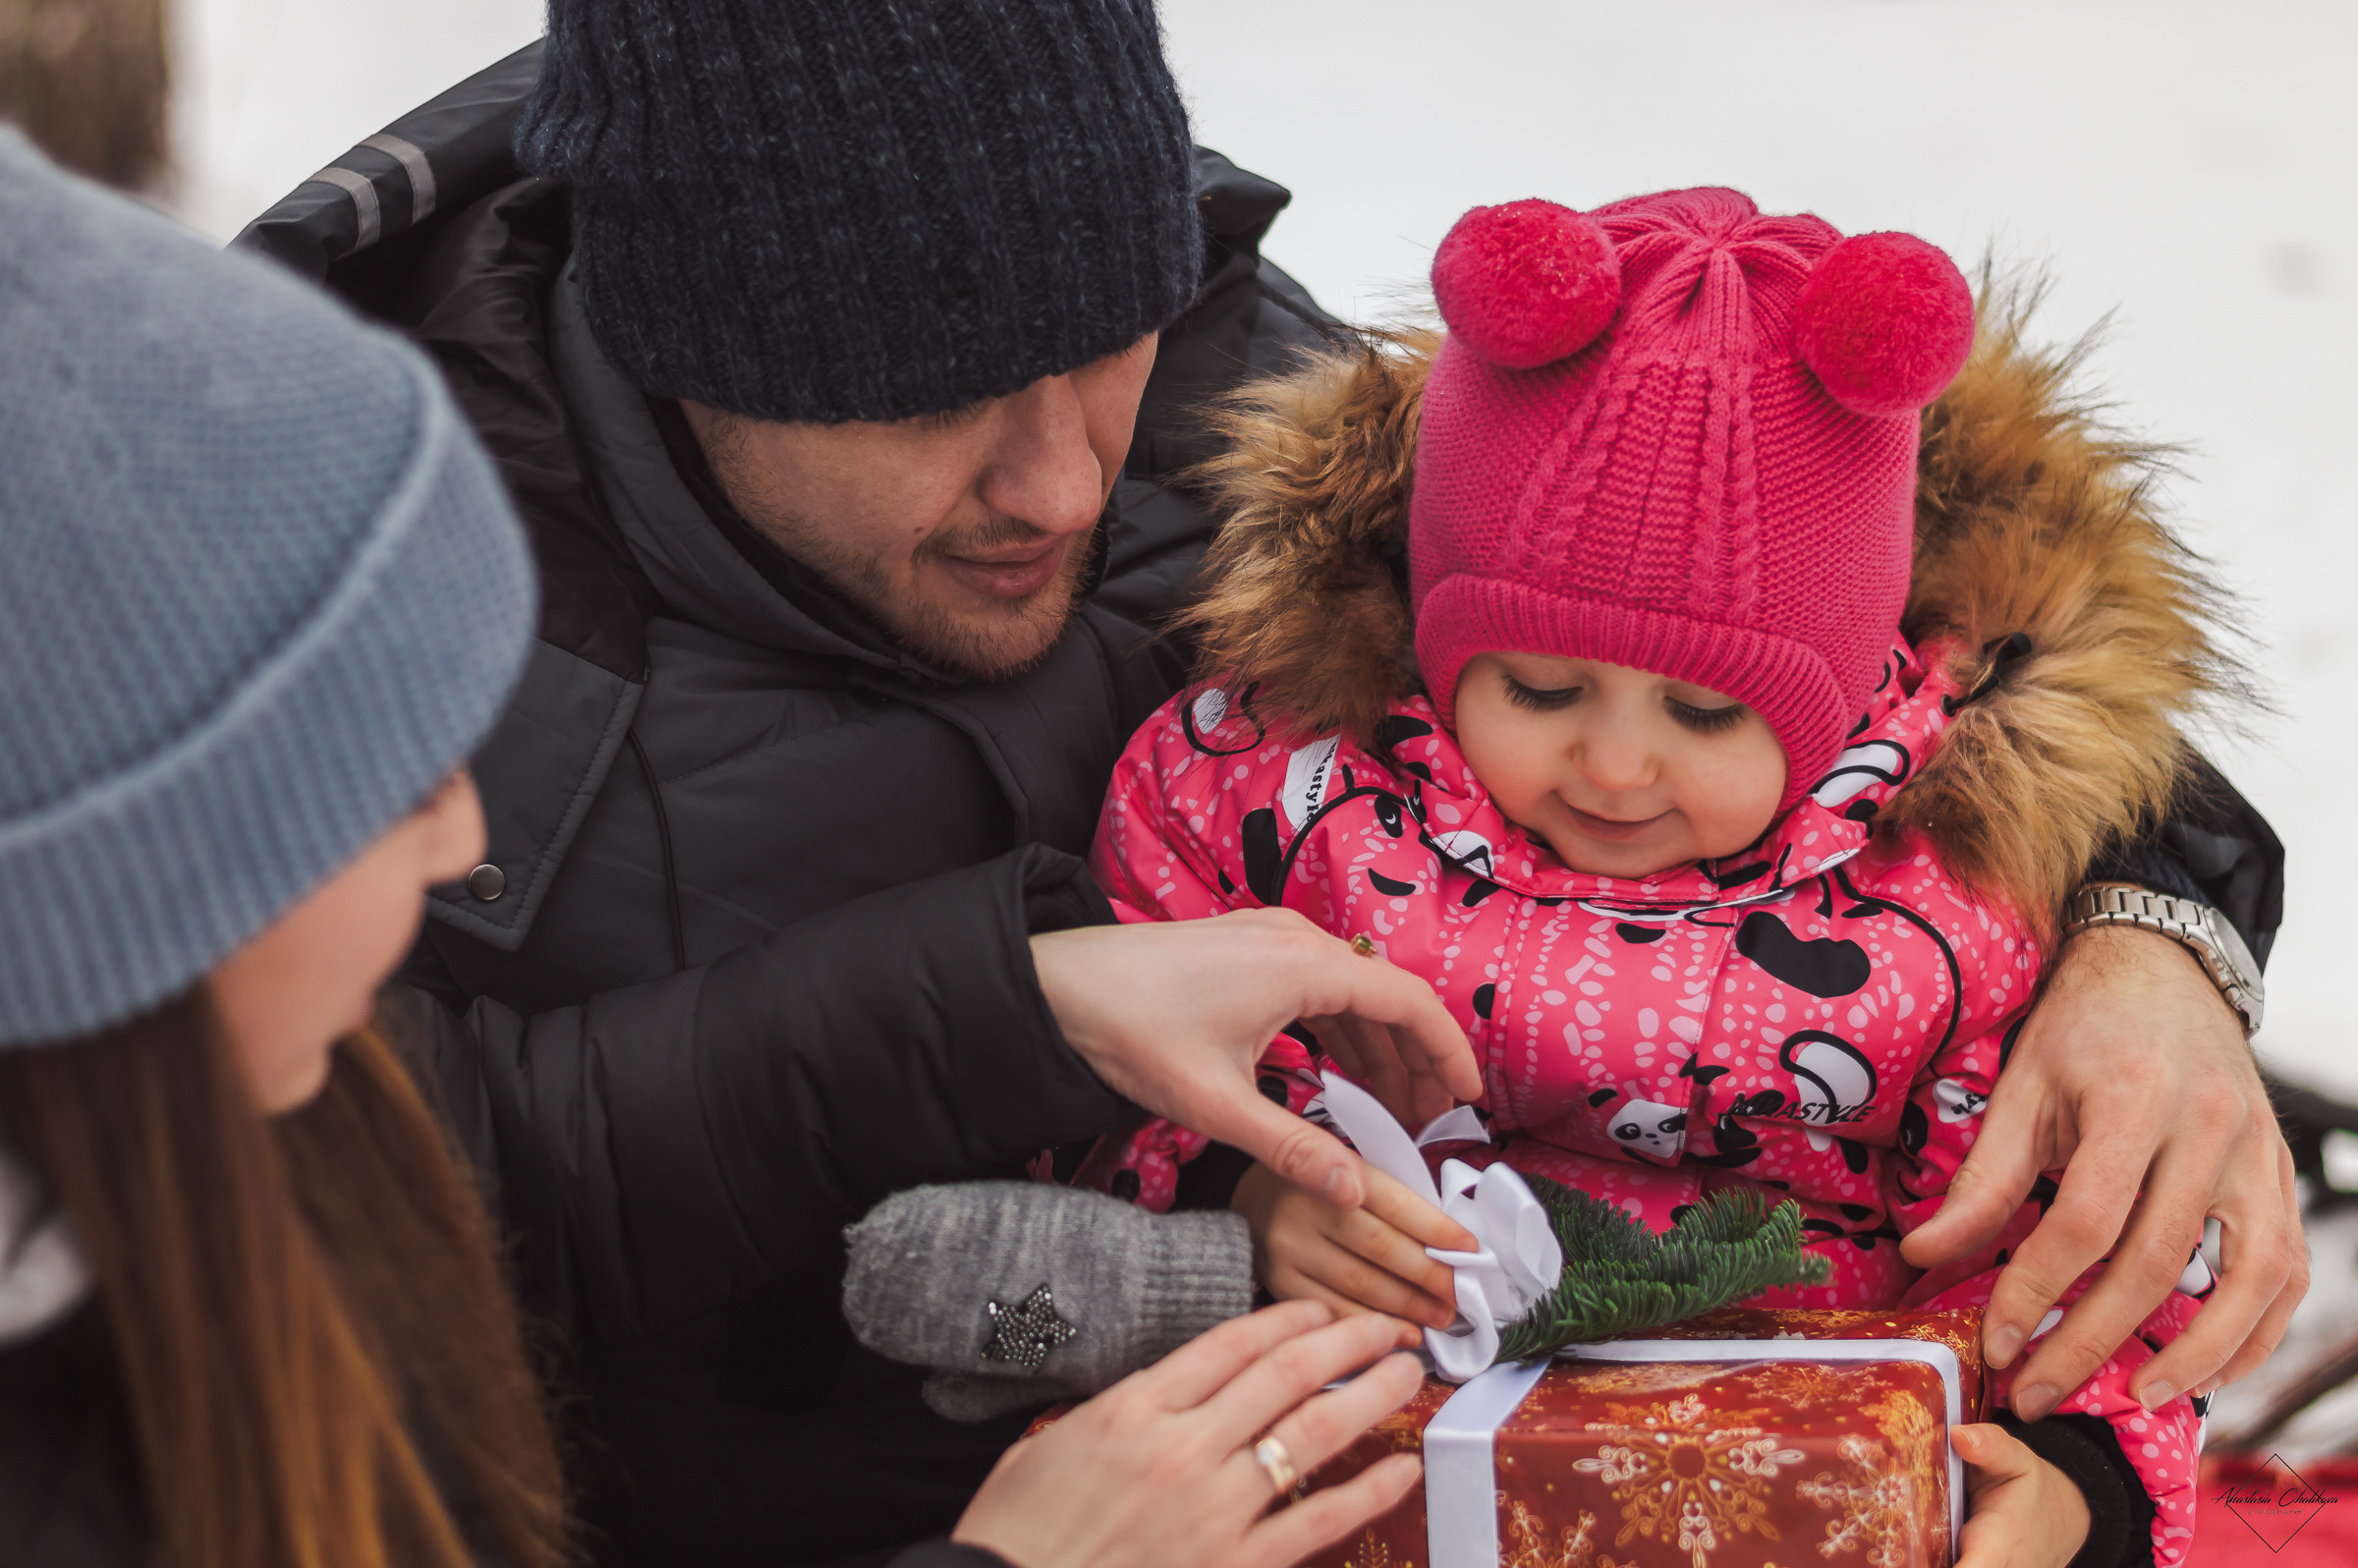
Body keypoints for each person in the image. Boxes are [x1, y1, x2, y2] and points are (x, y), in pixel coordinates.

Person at [233, 3, 2297, 1562]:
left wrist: (2164, 921)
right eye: (928, 401)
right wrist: (1005, 1010)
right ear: (681, 336)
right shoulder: (320, 576)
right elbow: (305, 1199)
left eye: (1106, 339)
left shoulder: (1218, 374)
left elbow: (1831, 649)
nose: (1064, 478)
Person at [0, 130, 1456, 1568]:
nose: (1066, 487)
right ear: (106, 867)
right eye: (368, 777)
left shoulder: (189, 1112)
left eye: (1111, 340)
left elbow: (509, 1152)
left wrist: (1029, 1005)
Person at [1082, 192, 2254, 1567]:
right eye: (1540, 686)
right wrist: (1237, 1193)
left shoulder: (1948, 905)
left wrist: (2077, 1483)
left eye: (1707, 717)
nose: (1617, 765)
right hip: (1373, 1435)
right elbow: (1126, 1029)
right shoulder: (1283, 800)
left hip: (1809, 1461)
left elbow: (2069, 1226)